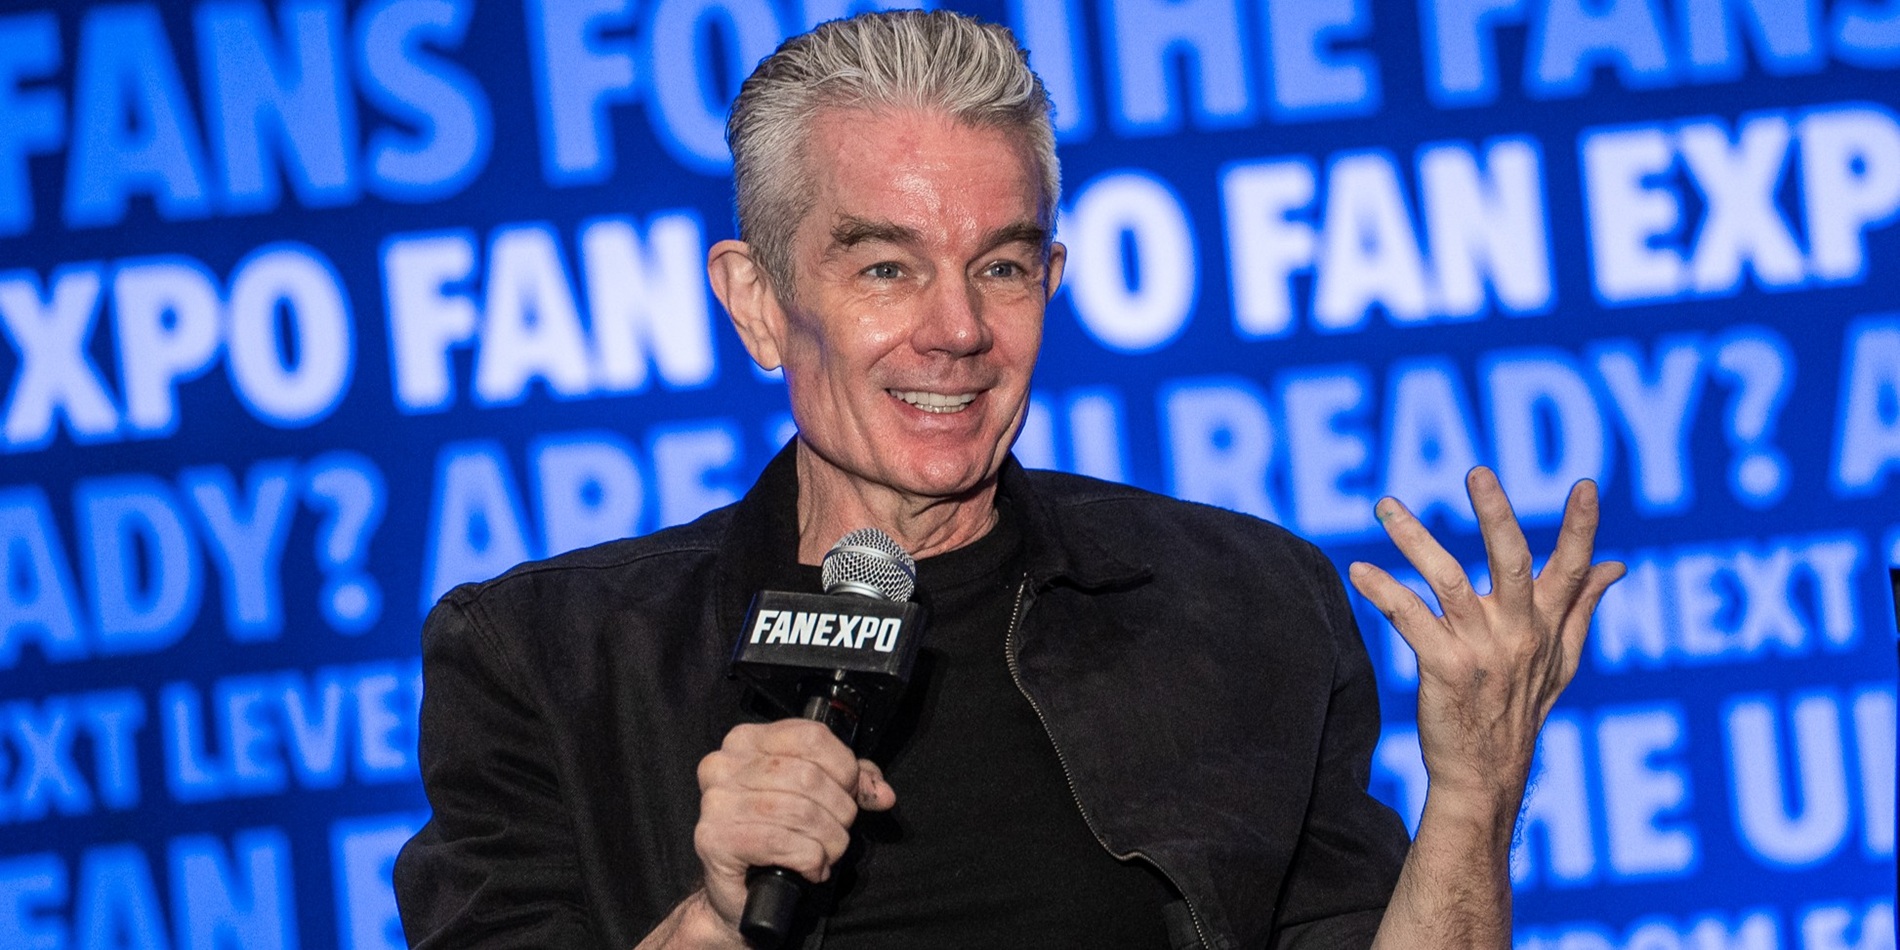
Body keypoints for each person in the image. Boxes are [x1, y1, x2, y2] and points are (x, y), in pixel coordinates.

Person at [393, 10, 1625, 949]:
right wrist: (719, 915)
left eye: (1001, 267)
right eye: (883, 268)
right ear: (758, 303)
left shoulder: (1246, 601)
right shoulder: (547, 659)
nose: (955, 331)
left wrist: (1473, 788)